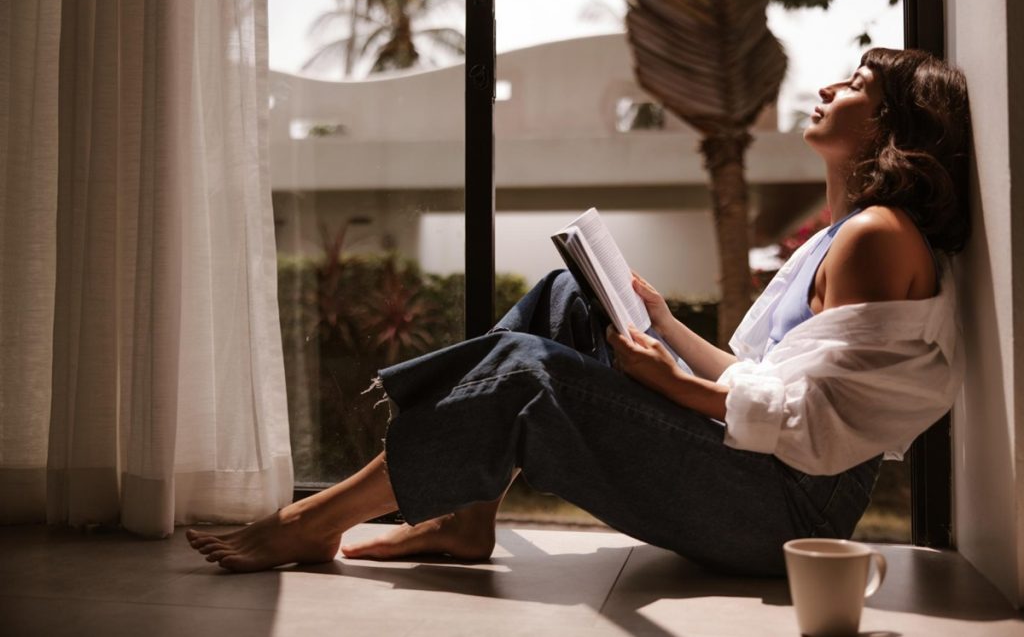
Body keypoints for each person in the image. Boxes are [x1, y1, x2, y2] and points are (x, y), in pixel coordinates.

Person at [187, 47, 971, 575]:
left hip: (791, 510)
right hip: (774, 478)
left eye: (857, 87)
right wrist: (662, 322)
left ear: (890, 124)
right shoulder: (843, 234)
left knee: (528, 374)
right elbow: (766, 381)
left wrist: (667, 380)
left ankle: (309, 522)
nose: (830, 88)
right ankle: (463, 517)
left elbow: (814, 426)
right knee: (569, 296)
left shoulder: (875, 233)